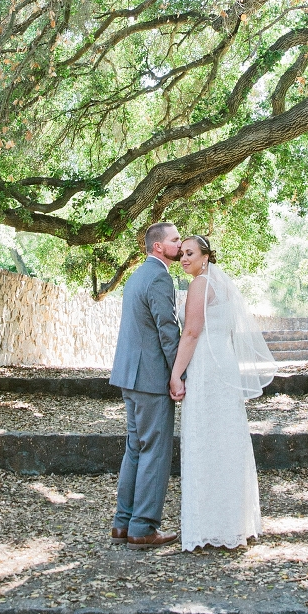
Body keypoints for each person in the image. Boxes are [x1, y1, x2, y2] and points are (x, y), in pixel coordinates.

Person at [170, 235, 277, 552]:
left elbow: (190, 333)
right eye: (182, 254)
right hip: (224, 364)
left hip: (206, 367)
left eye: (190, 253)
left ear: (205, 256)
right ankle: (233, 523)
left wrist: (176, 373)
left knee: (206, 439)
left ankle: (208, 526)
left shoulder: (200, 285)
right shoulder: (225, 286)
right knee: (226, 440)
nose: (184, 258)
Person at [109, 221, 183, 549]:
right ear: (158, 247)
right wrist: (177, 374)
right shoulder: (159, 277)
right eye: (175, 240)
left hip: (129, 374)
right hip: (150, 378)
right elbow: (167, 329)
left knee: (135, 448)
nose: (180, 245)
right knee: (155, 450)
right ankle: (144, 527)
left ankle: (122, 524)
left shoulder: (137, 275)